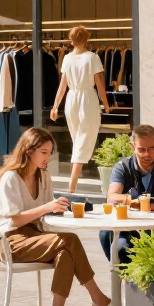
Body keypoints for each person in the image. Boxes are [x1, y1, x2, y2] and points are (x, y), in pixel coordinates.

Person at [0, 126, 112, 306]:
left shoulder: (43, 175)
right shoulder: (10, 178)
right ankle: (98, 297)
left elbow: (45, 215)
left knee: (65, 251)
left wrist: (62, 210)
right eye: (44, 152)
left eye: (50, 153)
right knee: (69, 240)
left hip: (34, 237)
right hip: (7, 241)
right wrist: (48, 207)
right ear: (29, 151)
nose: (47, 158)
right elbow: (15, 220)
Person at [102, 124, 154, 259]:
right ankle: (127, 276)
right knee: (107, 234)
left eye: (151, 149)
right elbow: (111, 196)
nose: (147, 154)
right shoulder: (123, 167)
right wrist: (131, 201)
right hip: (132, 226)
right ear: (132, 147)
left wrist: (150, 207)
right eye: (141, 149)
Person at [50, 25, 111, 193]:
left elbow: (62, 86)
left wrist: (55, 106)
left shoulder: (68, 58)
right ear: (86, 39)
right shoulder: (92, 57)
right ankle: (72, 185)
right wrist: (106, 105)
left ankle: (73, 184)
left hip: (71, 99)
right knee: (83, 140)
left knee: (78, 139)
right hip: (87, 99)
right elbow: (99, 84)